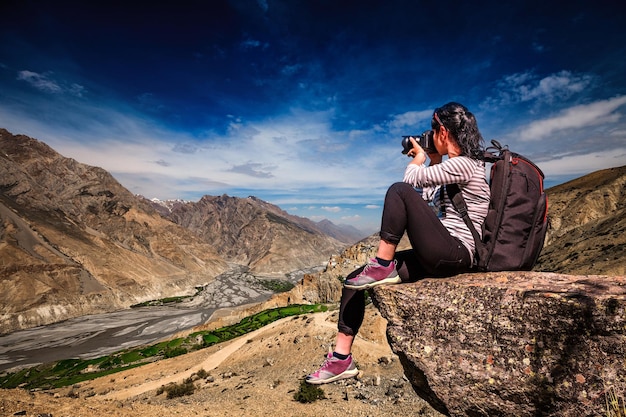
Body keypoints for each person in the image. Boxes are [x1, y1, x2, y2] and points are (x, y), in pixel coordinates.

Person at [305, 102, 490, 384]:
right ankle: (342, 359)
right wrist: (433, 159)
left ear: (442, 130)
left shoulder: (466, 164)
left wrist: (419, 159)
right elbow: (424, 200)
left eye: (432, 130)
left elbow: (410, 182)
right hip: (442, 251)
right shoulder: (453, 168)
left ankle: (382, 262)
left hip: (457, 252)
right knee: (355, 280)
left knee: (398, 190)